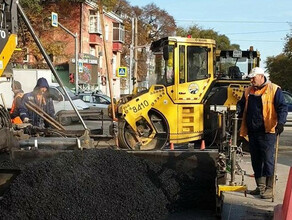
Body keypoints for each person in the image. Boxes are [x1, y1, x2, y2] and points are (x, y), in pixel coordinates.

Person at [237, 67, 288, 199]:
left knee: (268, 159)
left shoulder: (274, 89)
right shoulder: (248, 90)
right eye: (251, 78)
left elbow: (282, 108)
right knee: (256, 160)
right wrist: (237, 110)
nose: (251, 80)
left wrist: (281, 123)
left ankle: (269, 189)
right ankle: (260, 187)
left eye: (253, 78)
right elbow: (242, 105)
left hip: (267, 131)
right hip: (252, 132)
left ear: (261, 76)